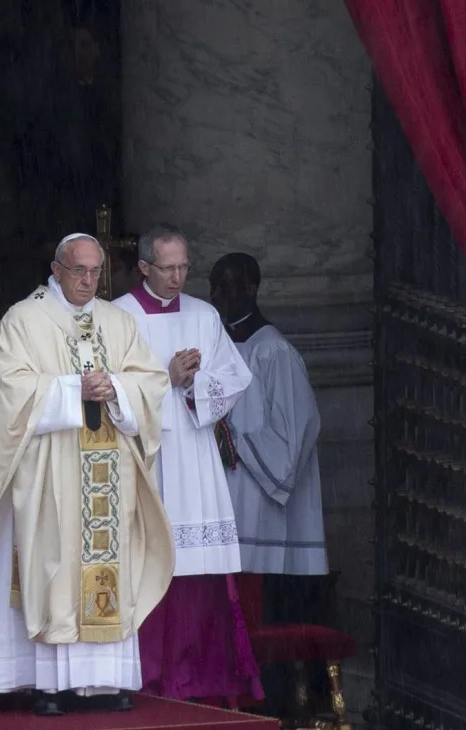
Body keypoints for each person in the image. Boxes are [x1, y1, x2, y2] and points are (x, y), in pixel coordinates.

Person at [0, 233, 174, 716]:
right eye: (78, 271)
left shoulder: (117, 321)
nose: (88, 281)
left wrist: (118, 388)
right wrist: (73, 391)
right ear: (56, 268)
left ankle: (104, 681)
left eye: (95, 272)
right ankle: (43, 681)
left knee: (102, 573)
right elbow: (6, 394)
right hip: (47, 473)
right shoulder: (24, 320)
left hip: (108, 472)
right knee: (54, 567)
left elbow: (151, 381)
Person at [112, 225, 262, 702]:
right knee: (149, 564)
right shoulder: (119, 317)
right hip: (147, 458)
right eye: (167, 268)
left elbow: (236, 376)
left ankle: (200, 679)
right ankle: (147, 676)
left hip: (195, 459)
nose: (178, 277)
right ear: (143, 268)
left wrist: (196, 388)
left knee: (198, 574)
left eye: (183, 267)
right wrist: (166, 377)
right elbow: (108, 394)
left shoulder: (204, 314)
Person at [209, 253, 327, 577]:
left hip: (262, 494)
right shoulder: (217, 349)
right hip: (229, 489)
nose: (216, 296)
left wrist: (233, 441)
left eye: (225, 286)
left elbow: (294, 435)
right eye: (213, 288)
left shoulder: (274, 352)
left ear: (251, 287)